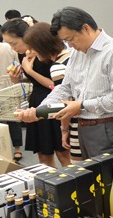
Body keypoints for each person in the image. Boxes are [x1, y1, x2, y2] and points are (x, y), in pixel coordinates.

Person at [17, 7, 113, 174]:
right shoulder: (78, 53)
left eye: (71, 39)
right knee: (88, 183)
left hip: (107, 127)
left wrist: (81, 106)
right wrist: (39, 110)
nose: (70, 45)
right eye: (66, 41)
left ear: (86, 28)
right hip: (83, 126)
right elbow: (65, 87)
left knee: (108, 185)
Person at [2, 19, 71, 167]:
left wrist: (30, 71)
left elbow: (58, 86)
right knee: (43, 155)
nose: (13, 49)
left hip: (55, 103)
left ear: (25, 38)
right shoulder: (24, 56)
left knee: (63, 153)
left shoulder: (46, 53)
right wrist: (17, 78)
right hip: (37, 101)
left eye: (14, 43)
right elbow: (30, 84)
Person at [23, 22, 82, 161]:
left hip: (77, 123)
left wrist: (64, 129)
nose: (30, 52)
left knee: (78, 170)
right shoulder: (70, 56)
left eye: (33, 48)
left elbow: (65, 102)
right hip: (88, 120)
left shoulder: (57, 66)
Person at [0, 29, 23, 161]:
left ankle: (3, 152)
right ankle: (18, 150)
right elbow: (17, 64)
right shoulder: (10, 47)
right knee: (14, 118)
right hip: (10, 85)